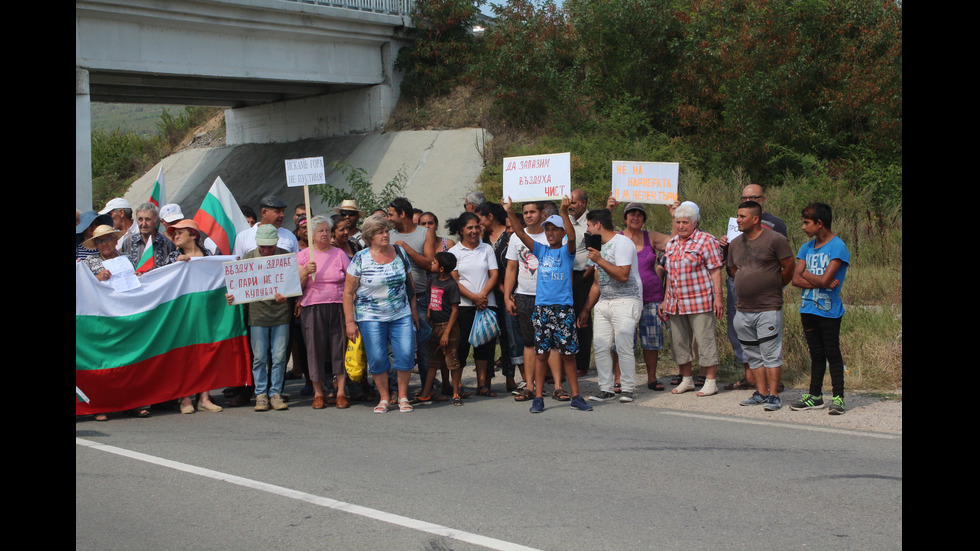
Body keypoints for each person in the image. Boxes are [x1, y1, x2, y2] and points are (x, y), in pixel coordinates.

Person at [503, 196, 593, 413]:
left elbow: (572, 237)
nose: (551, 233)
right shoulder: (541, 250)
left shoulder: (567, 251)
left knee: (568, 354)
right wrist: (509, 211)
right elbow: (521, 234)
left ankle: (575, 395)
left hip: (563, 309)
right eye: (548, 229)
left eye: (555, 229)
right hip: (542, 309)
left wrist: (564, 211)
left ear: (561, 233)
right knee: (541, 353)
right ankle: (537, 397)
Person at [343, 214, 420, 413]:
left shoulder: (400, 252)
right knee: (377, 358)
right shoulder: (361, 258)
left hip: (400, 314)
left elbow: (409, 285)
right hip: (370, 317)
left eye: (386, 231)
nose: (385, 235)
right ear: (369, 236)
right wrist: (350, 322)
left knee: (405, 355)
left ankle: (403, 396)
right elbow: (348, 292)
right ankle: (384, 398)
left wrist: (414, 312)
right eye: (379, 232)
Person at [720, 184, 788, 391]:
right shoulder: (737, 229)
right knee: (742, 333)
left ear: (763, 199)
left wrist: (775, 285)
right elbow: (731, 265)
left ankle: (772, 386)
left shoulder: (776, 226)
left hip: (767, 294)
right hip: (740, 290)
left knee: (768, 338)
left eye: (754, 197)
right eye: (744, 197)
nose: (748, 200)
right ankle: (751, 378)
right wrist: (724, 244)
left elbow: (787, 264)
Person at [727, 201, 794, 411]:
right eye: (737, 216)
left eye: (742, 216)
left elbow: (789, 266)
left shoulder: (775, 240)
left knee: (770, 353)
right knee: (753, 353)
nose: (738, 220)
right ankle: (761, 392)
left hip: (768, 307)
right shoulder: (735, 243)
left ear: (755, 219)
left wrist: (774, 285)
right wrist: (747, 283)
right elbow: (733, 269)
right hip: (743, 308)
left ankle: (774, 395)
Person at [81, 225, 149, 421]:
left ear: (115, 240)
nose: (104, 244)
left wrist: (139, 277)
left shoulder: (127, 258)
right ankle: (100, 406)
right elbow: (85, 286)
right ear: (95, 245)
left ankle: (131, 404)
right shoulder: (89, 261)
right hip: (103, 317)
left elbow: (137, 280)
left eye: (107, 239)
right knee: (104, 362)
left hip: (127, 314)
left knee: (129, 361)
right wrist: (97, 278)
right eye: (100, 241)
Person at [790, 202, 850, 415]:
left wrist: (808, 274)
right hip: (808, 308)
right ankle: (815, 396)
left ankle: (838, 398)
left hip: (829, 310)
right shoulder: (805, 248)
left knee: (832, 353)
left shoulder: (837, 247)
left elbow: (825, 279)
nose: (803, 227)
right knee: (816, 354)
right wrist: (818, 280)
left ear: (820, 223)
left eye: (807, 223)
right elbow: (795, 280)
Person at [579, 208, 643, 404]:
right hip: (604, 302)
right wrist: (586, 309)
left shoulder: (622, 243)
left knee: (623, 344)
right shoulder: (599, 247)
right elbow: (597, 283)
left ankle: (627, 388)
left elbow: (623, 275)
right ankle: (605, 389)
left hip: (626, 299)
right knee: (600, 345)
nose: (588, 230)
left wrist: (599, 260)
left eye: (589, 225)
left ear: (598, 224)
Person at [661, 201, 725, 396]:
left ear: (695, 223)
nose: (681, 226)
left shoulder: (707, 240)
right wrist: (665, 301)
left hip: (700, 300)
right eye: (678, 222)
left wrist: (718, 298)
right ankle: (687, 379)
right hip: (675, 302)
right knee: (679, 342)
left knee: (705, 341)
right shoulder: (671, 243)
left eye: (685, 222)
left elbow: (715, 271)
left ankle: (710, 381)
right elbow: (669, 275)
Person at [607, 200, 672, 390]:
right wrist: (608, 209)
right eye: (631, 214)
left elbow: (675, 242)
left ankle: (652, 378)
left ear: (643, 219)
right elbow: (597, 231)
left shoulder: (650, 236)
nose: (635, 217)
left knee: (651, 341)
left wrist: (674, 215)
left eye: (639, 214)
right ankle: (618, 378)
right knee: (622, 340)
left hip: (651, 297)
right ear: (625, 218)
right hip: (624, 298)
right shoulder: (616, 238)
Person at [503, 201, 565, 401]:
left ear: (542, 213)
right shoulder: (515, 238)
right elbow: (512, 268)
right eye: (525, 212)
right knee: (529, 343)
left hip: (549, 296)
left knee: (553, 342)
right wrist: (507, 295)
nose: (529, 215)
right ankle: (529, 385)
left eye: (532, 212)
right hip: (524, 295)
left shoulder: (552, 236)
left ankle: (557, 386)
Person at [227, 224, 292, 412]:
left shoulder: (285, 258)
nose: (265, 250)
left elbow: (293, 284)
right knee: (259, 357)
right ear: (257, 243)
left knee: (279, 357)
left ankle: (275, 393)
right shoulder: (248, 259)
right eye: (262, 247)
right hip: (257, 316)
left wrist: (287, 294)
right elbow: (238, 287)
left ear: (276, 243)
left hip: (281, 314)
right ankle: (261, 394)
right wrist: (232, 296)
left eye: (269, 247)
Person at [167, 219, 224, 413]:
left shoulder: (208, 256)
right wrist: (176, 265)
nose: (175, 236)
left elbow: (221, 276)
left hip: (205, 312)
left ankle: (204, 396)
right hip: (182, 314)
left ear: (193, 234)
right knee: (185, 354)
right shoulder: (173, 257)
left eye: (179, 232)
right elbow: (162, 281)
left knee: (205, 352)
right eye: (173, 233)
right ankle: (185, 398)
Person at [298, 215, 352, 409]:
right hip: (312, 306)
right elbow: (296, 286)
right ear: (312, 234)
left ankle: (341, 392)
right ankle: (319, 392)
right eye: (320, 230)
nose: (325, 234)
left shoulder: (339, 254)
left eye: (327, 230)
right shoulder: (304, 255)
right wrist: (305, 271)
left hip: (337, 305)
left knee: (339, 348)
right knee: (314, 349)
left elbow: (351, 280)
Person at [388, 197, 438, 397]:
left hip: (420, 296)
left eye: (392, 214)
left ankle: (427, 389)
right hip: (395, 299)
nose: (389, 219)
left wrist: (406, 249)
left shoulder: (424, 233)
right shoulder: (388, 236)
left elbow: (429, 264)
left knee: (424, 344)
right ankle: (394, 390)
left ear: (402, 214)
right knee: (394, 347)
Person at [448, 211, 499, 397]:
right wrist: (473, 297)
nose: (474, 231)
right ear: (461, 230)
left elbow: (494, 274)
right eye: (470, 227)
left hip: (486, 304)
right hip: (463, 305)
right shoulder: (454, 252)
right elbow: (454, 281)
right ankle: (458, 385)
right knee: (461, 346)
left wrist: (482, 296)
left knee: (484, 346)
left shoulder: (487, 249)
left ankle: (483, 384)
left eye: (477, 227)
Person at [476, 201, 519, 392]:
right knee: (487, 337)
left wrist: (506, 290)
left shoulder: (509, 233)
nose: (478, 224)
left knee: (509, 336)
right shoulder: (481, 239)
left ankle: (510, 377)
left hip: (508, 294)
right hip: (486, 295)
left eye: (480, 219)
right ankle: (487, 380)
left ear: (490, 217)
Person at [417, 252, 463, 406]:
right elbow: (431, 302)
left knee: (452, 361)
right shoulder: (433, 281)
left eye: (434, 262)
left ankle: (456, 392)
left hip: (447, 327)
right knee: (433, 362)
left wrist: (447, 333)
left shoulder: (452, 285)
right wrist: (428, 321)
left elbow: (455, 310)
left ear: (442, 268)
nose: (431, 264)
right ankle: (425, 393)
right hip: (434, 327)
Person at [567, 189, 595, 376]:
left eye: (574, 202)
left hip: (584, 276)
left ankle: (582, 364)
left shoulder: (591, 223)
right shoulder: (564, 221)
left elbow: (595, 252)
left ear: (583, 204)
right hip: (565, 278)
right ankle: (568, 360)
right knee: (567, 319)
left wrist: (586, 275)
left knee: (583, 319)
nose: (570, 205)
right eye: (569, 202)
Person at [233, 195, 299, 258]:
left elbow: (296, 264)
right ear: (264, 212)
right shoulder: (243, 237)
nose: (282, 215)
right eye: (277, 212)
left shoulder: (290, 237)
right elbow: (238, 265)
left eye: (283, 211)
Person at [120, 202, 177, 273]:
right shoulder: (128, 243)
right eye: (140, 219)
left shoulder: (167, 244)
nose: (143, 224)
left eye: (148, 219)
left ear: (156, 222)